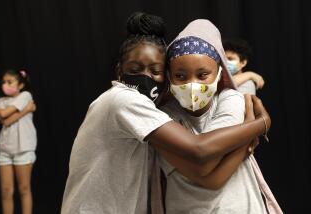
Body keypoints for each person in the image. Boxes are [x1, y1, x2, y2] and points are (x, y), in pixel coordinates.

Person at [61, 12, 271, 214]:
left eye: (155, 71)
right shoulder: (125, 100)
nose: (145, 77)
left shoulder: (159, 112)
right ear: (119, 71)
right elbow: (201, 152)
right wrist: (260, 124)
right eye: (135, 70)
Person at [154, 19, 282, 213]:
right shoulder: (163, 116)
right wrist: (252, 130)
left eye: (202, 74)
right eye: (180, 76)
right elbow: (206, 167)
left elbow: (203, 165)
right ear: (169, 76)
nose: (192, 85)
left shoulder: (231, 100)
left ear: (219, 73)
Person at [0, 69, 36, 214]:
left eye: (10, 82)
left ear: (21, 85)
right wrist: (26, 110)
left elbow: (5, 116)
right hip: (5, 149)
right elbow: (5, 120)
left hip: (23, 149)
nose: (5, 85)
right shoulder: (1, 101)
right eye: (3, 82)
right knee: (6, 191)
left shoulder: (25, 95)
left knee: (24, 189)